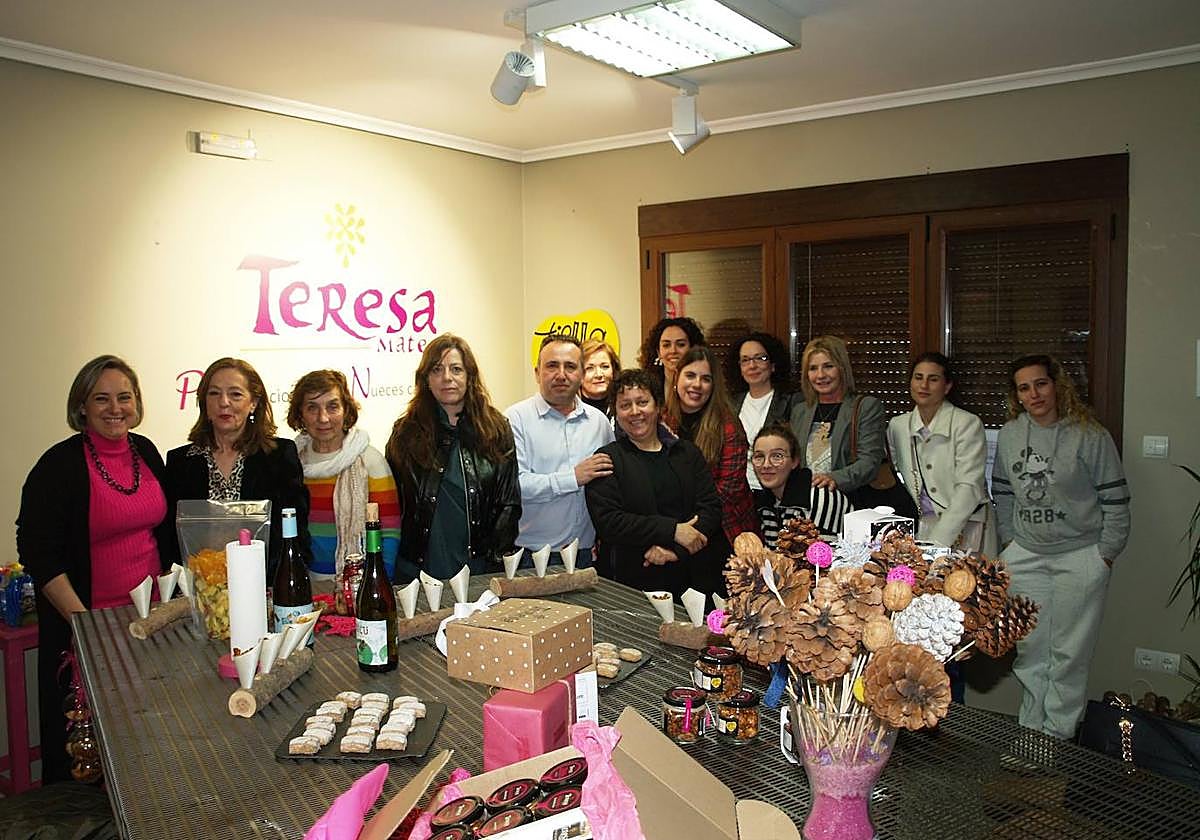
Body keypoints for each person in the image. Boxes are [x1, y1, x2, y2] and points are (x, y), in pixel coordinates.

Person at [17, 356, 171, 784]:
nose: (115, 408)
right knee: (89, 766)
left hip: (149, 628)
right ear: (81, 406)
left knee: (148, 749)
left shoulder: (147, 452)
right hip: (88, 633)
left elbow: (164, 534)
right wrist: (84, 625)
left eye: (124, 397)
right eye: (101, 398)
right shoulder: (59, 465)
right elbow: (36, 550)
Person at [992, 354, 1130, 740]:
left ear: (1057, 385)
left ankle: (1057, 738)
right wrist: (1009, 541)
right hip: (1026, 556)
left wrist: (1104, 556)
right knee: (1030, 651)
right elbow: (1002, 491)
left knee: (1069, 656)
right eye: (1024, 388)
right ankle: (1031, 734)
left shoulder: (1090, 434)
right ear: (1015, 396)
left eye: (1041, 384)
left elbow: (1116, 501)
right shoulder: (1010, 434)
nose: (1033, 394)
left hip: (1080, 557)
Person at [386, 334, 520, 580]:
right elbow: (393, 505)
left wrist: (495, 560)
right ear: (426, 379)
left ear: (469, 377)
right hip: (418, 567)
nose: (447, 378)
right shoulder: (405, 433)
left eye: (456, 369)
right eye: (437, 370)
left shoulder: (496, 428)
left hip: (478, 567)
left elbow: (508, 503)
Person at [165, 357, 311, 578]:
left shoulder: (279, 455)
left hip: (264, 585)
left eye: (235, 394)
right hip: (200, 590)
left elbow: (294, 530)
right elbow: (171, 537)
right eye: (214, 393)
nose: (224, 402)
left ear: (253, 402)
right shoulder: (180, 461)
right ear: (204, 402)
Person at [585, 369, 722, 595]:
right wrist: (672, 531)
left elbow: (711, 509)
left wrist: (676, 550)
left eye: (642, 402)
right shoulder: (607, 459)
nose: (635, 411)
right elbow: (609, 521)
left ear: (658, 406)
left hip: (693, 576)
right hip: (631, 581)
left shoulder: (687, 453)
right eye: (625, 405)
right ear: (616, 413)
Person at [505, 334, 615, 569]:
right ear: (537, 372)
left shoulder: (599, 422)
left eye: (570, 366)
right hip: (530, 558)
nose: (561, 374)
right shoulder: (515, 419)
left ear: (581, 372)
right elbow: (516, 486)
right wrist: (573, 478)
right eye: (552, 365)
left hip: (586, 556)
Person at [286, 369, 400, 581]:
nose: (323, 418)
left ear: (346, 410)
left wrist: (380, 582)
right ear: (300, 413)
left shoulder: (370, 462)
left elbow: (390, 531)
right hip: (303, 582)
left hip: (358, 584)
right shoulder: (290, 464)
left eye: (332, 406)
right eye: (312, 407)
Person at [665, 346, 759, 599]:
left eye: (706, 379)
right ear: (677, 378)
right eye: (690, 375)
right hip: (674, 527)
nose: (697, 384)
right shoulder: (662, 419)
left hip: (719, 533)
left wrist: (684, 526)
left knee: (710, 615)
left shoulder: (728, 426)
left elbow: (726, 492)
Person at [887, 352, 997, 555]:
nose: (924, 385)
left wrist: (938, 542)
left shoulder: (967, 424)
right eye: (918, 377)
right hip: (919, 527)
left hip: (966, 527)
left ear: (947, 386)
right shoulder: (897, 426)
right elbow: (894, 478)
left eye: (933, 379)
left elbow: (969, 488)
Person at [788, 335, 885, 496]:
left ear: (842, 368)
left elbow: (869, 463)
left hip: (850, 502)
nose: (820, 375)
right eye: (813, 368)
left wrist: (833, 479)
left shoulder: (866, 407)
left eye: (828, 366)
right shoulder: (800, 411)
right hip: (808, 503)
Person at [751, 422, 853, 549]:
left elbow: (822, 561)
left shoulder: (820, 497)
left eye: (777, 456)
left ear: (794, 461)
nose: (766, 465)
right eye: (759, 456)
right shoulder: (764, 503)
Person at [725, 331, 794, 490]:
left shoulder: (790, 403)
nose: (752, 365)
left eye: (760, 358)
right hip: (737, 489)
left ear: (773, 365)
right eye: (745, 360)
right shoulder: (730, 404)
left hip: (774, 490)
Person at [636, 316, 705, 393]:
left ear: (692, 348)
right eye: (666, 345)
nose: (673, 351)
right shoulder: (647, 387)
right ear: (658, 352)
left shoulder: (701, 385)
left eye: (681, 344)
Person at [580, 338, 621, 416]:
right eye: (590, 368)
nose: (598, 374)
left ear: (614, 370)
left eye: (605, 367)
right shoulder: (567, 408)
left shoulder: (624, 405)